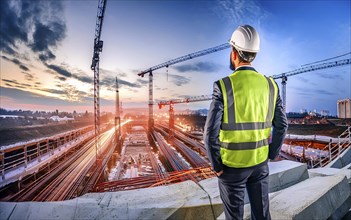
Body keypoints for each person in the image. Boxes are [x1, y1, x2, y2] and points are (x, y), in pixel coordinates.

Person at [203, 25, 288, 220]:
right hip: (260, 164)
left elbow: (209, 134)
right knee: (262, 216)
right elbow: (282, 125)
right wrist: (273, 153)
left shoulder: (223, 86)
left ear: (234, 53)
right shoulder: (271, 85)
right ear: (253, 55)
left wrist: (217, 166)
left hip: (231, 168)